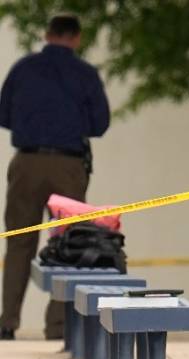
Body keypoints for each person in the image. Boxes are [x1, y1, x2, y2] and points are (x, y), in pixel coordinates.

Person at [0, 14, 110, 341]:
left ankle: (7, 322)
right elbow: (100, 124)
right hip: (68, 165)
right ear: (77, 38)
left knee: (19, 239)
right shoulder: (85, 74)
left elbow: (4, 114)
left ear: (47, 35)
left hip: (27, 162)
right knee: (67, 242)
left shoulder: (23, 68)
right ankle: (58, 326)